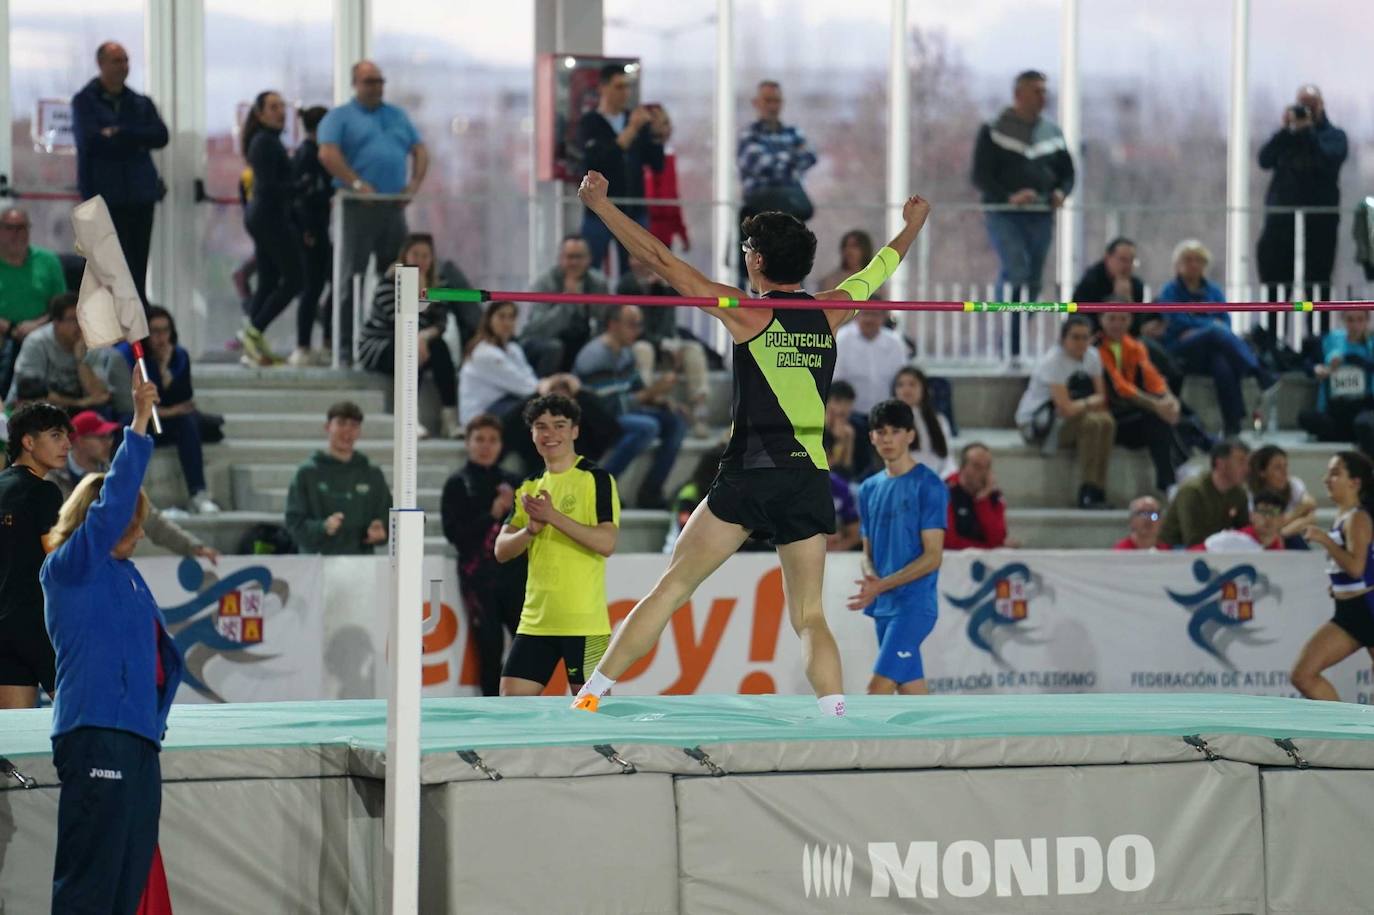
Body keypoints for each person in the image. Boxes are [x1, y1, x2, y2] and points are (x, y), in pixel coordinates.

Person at [570, 166, 932, 717]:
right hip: (806, 477)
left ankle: (591, 697)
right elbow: (880, 268)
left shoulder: (748, 313)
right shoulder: (832, 308)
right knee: (809, 616)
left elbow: (663, 262)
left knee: (671, 589)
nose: (743, 256)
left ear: (758, 261)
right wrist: (912, 226)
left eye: (746, 249)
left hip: (748, 475)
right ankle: (835, 713)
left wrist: (601, 207)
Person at [42, 372, 182, 912]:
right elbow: (112, 503)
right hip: (95, 732)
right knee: (91, 882)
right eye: (133, 522)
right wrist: (140, 422)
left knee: (126, 880)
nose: (140, 533)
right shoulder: (72, 566)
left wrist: (154, 723)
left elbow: (158, 663)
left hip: (138, 740)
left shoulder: (130, 577)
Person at [493, 395, 619, 695]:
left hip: (584, 624)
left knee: (592, 712)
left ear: (574, 431)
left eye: (559, 425)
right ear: (533, 434)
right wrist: (531, 531)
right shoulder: (529, 486)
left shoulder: (596, 478)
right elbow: (501, 550)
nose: (550, 434)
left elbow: (606, 542)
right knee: (513, 709)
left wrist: (552, 516)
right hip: (536, 622)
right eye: (541, 427)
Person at [317, 60, 427, 354]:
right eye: (369, 81)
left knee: (398, 275)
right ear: (355, 83)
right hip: (357, 207)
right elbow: (327, 153)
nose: (376, 87)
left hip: (392, 206)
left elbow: (419, 150)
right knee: (351, 276)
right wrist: (356, 184)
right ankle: (343, 345)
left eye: (380, 81)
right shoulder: (340, 117)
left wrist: (414, 184)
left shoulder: (397, 116)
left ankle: (395, 340)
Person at [973, 69, 1074, 356]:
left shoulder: (1052, 132)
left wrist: (1060, 192)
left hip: (1041, 215)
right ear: (1019, 94)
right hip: (1004, 213)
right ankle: (1010, 344)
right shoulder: (994, 130)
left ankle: (1012, 334)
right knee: (1016, 270)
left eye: (1045, 91)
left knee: (1033, 279)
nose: (1043, 97)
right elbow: (981, 176)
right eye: (1036, 91)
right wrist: (1009, 196)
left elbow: (1067, 173)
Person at [849, 399, 947, 695]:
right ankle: (933, 743)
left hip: (914, 606)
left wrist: (881, 585)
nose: (887, 438)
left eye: (895, 431)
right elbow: (867, 552)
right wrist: (871, 579)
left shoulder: (929, 485)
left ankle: (852, 744)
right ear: (871, 437)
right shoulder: (868, 488)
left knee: (876, 691)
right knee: (912, 697)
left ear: (911, 435)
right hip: (885, 606)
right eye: (881, 431)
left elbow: (933, 557)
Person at [49, 410, 219, 563]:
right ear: (78, 441)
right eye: (101, 437)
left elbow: (150, 518)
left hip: (102, 567)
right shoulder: (51, 478)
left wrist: (193, 547)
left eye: (109, 436)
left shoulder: (117, 477)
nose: (108, 442)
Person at [71, 41, 168, 305]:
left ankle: (136, 336)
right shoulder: (84, 102)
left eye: (126, 60)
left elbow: (160, 135)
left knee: (137, 267)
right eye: (117, 61)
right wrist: (136, 138)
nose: (124, 66)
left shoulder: (139, 102)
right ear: (101, 64)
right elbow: (91, 141)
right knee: (110, 269)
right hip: (104, 198)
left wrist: (120, 132)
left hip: (139, 195)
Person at [441, 414, 525, 698]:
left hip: (515, 576)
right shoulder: (458, 483)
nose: (486, 446)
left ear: (502, 445)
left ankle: (523, 710)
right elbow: (456, 535)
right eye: (479, 439)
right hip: (477, 580)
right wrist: (492, 513)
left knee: (525, 647)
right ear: (467, 443)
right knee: (489, 649)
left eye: (492, 440)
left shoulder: (515, 482)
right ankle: (493, 713)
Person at [1156, 239, 1276, 436]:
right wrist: (1210, 326)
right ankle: (1258, 371)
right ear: (1179, 264)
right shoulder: (1170, 291)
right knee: (1215, 333)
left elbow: (1226, 322)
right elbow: (1176, 321)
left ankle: (1232, 424)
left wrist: (1201, 328)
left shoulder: (1213, 291)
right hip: (1181, 348)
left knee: (1222, 364)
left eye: (1198, 260)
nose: (1193, 264)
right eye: (1188, 260)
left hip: (1210, 349)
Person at [572, 304, 686, 509]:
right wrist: (652, 392)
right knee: (647, 426)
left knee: (675, 422)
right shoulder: (594, 356)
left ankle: (651, 490)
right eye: (632, 325)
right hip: (600, 418)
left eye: (639, 325)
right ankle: (601, 484)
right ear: (613, 325)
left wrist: (661, 400)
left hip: (623, 410)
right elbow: (609, 406)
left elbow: (635, 389)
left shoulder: (625, 352)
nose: (638, 330)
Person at [113, 306, 220, 514]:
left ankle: (198, 493)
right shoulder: (127, 355)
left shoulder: (178, 355)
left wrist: (165, 371)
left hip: (164, 422)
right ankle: (121, 492)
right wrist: (168, 410)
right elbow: (132, 402)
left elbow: (184, 400)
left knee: (188, 423)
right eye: (155, 331)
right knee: (124, 425)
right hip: (139, 419)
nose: (161, 337)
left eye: (165, 331)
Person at [0, 402, 72, 709]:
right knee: (89, 725)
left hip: (3, 626)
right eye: (56, 435)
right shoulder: (44, 491)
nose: (67, 444)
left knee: (11, 745)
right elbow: (58, 559)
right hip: (38, 624)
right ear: (28, 442)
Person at [358, 233, 460, 439]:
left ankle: (450, 419)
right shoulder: (389, 284)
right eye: (416, 254)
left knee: (439, 347)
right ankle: (407, 419)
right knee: (410, 345)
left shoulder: (437, 287)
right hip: (380, 346)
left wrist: (422, 336)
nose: (421, 260)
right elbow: (402, 321)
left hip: (415, 342)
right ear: (405, 256)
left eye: (426, 256)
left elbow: (441, 324)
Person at [1291, 451, 1374, 701]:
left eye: (1335, 473)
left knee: (1304, 675)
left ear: (1355, 482)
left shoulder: (1358, 518)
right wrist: (1337, 588)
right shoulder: (1346, 516)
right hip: (1351, 610)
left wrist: (1323, 539)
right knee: (1303, 675)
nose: (1327, 479)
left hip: (1367, 609)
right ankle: (1345, 734)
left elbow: (1357, 567)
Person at [1257, 85, 1348, 303]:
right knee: (1276, 279)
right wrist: (1285, 130)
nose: (1305, 110)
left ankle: (1318, 334)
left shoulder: (1334, 136)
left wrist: (1309, 132)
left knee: (1317, 281)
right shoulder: (1287, 137)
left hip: (1319, 220)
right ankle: (1272, 331)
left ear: (1321, 107)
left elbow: (1328, 159)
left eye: (1310, 105)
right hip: (1282, 219)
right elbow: (1264, 159)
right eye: (1301, 105)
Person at [1014, 315, 1116, 509]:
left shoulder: (1093, 356)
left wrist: (1086, 404)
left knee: (1107, 422)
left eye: (1085, 337)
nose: (1080, 343)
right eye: (1075, 337)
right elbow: (1065, 408)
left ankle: (1098, 489)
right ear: (1063, 339)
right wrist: (1088, 402)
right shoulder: (1053, 361)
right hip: (1039, 424)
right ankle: (1086, 492)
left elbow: (1102, 399)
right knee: (1092, 424)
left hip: (1074, 417)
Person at [576, 63, 664, 272]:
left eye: (627, 87)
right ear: (602, 88)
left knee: (637, 269)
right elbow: (596, 162)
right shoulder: (590, 123)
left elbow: (656, 164)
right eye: (618, 86)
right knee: (591, 269)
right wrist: (631, 130)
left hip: (633, 209)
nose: (625, 92)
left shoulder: (636, 121)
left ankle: (632, 306)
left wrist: (657, 134)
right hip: (598, 210)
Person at [237, 91, 303, 367]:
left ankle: (253, 339)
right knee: (295, 278)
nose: (280, 112)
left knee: (267, 279)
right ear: (260, 114)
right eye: (273, 107)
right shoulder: (265, 142)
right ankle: (254, 330)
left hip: (264, 215)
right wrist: (301, 187)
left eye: (282, 106)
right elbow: (267, 186)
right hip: (269, 216)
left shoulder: (269, 141)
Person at [615, 256, 712, 437]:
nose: (643, 264)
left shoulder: (663, 283)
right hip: (643, 344)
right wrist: (661, 342)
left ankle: (700, 412)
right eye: (638, 259)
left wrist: (668, 283)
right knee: (643, 349)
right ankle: (648, 405)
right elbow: (634, 328)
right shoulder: (626, 284)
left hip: (668, 345)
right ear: (630, 261)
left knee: (694, 350)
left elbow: (688, 294)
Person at [284, 401, 392, 555]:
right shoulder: (307, 473)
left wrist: (381, 530)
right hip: (317, 564)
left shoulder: (372, 473)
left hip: (360, 564)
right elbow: (294, 523)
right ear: (327, 427)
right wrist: (322, 527)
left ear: (360, 431)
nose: (347, 431)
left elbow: (387, 516)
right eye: (341, 423)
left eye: (354, 425)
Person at [737, 80, 818, 286]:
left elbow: (810, 156)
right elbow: (757, 164)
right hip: (760, 206)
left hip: (790, 212)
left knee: (794, 262)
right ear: (756, 103)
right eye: (768, 100)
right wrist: (790, 158)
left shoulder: (793, 132)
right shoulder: (749, 134)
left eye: (776, 101)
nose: (772, 106)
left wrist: (775, 159)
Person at [1096, 310, 1185, 494]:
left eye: (1123, 318)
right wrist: (1156, 405)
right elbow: (1120, 387)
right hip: (1107, 417)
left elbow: (1153, 378)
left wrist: (1169, 399)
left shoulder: (1135, 345)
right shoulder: (1095, 348)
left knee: (1163, 417)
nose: (1117, 323)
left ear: (1130, 321)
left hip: (1130, 413)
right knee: (1156, 415)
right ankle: (1173, 477)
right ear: (1101, 320)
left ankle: (1170, 481)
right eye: (1112, 318)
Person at [460, 300, 572, 427]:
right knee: (542, 403)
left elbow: (528, 376)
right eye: (501, 316)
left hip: (507, 403)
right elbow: (525, 387)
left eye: (511, 317)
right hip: (482, 415)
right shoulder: (483, 353)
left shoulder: (513, 348)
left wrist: (551, 385)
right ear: (489, 320)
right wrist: (551, 385)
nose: (507, 322)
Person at [0, 207, 66, 398]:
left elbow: (60, 307)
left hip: (41, 329)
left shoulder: (49, 261)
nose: (16, 234)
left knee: (40, 341)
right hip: (3, 331)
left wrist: (36, 325)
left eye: (22, 228)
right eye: (10, 228)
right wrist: (9, 327)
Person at [7, 293, 113, 411]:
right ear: (56, 323)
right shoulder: (36, 342)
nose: (79, 325)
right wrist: (79, 403)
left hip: (73, 412)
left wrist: (81, 360)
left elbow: (100, 395)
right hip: (34, 411)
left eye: (82, 318)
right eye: (73, 319)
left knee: (104, 412)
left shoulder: (89, 343)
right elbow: (30, 392)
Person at [520, 235, 608, 375]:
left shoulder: (598, 283)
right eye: (569, 257)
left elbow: (604, 321)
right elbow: (538, 329)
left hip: (583, 341)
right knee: (555, 347)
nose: (574, 262)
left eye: (578, 257)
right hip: (549, 342)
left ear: (589, 259)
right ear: (560, 258)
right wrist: (567, 303)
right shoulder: (545, 282)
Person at [290, 105, 334, 367]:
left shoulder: (316, 154)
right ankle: (304, 345)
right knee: (312, 288)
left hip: (318, 228)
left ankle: (323, 341)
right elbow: (300, 197)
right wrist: (306, 229)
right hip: (312, 231)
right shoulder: (308, 155)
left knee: (321, 286)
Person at [1299, 309, 1374, 455]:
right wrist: (1317, 369)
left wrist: (1347, 359)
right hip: (1335, 409)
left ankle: (1349, 436)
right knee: (1305, 417)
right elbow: (1307, 363)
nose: (1355, 325)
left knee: (1363, 424)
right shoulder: (1330, 340)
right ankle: (1349, 436)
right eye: (1350, 320)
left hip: (1363, 407)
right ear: (1343, 321)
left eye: (1360, 320)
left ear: (1367, 321)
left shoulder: (1371, 345)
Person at [1159, 439, 1251, 548]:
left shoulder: (1239, 494)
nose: (1247, 469)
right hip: (1175, 552)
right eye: (1241, 462)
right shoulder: (1193, 492)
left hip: (1214, 549)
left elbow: (1244, 532)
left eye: (1247, 463)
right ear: (1220, 463)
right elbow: (1193, 539)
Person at [834, 308, 911, 416]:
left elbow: (902, 380)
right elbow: (835, 382)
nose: (869, 319)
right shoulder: (841, 339)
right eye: (865, 314)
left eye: (874, 314)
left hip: (887, 415)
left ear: (883, 317)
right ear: (856, 315)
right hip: (849, 416)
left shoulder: (895, 343)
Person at [1248, 444, 1317, 549]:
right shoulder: (1252, 495)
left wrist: (1283, 530)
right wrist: (1298, 516)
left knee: (1293, 538)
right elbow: (1262, 527)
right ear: (1262, 472)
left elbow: (1310, 506)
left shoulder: (1293, 484)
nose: (1285, 472)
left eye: (1285, 466)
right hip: (1260, 543)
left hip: (1287, 536)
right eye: (1277, 468)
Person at [944, 442, 1009, 551]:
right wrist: (988, 548)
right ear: (962, 467)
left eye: (987, 466)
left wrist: (982, 500)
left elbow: (997, 539)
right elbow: (948, 542)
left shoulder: (994, 496)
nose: (983, 472)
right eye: (976, 466)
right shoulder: (944, 492)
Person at [892, 366, 954, 478]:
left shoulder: (940, 420)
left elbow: (947, 459)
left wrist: (945, 478)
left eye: (912, 384)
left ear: (924, 389)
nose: (906, 390)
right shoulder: (889, 422)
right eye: (900, 385)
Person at [642, 105, 689, 252]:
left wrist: (681, 232)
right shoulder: (637, 157)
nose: (665, 129)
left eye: (665, 123)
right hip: (642, 226)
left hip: (663, 231)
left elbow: (672, 197)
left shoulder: (669, 158)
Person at [1072, 237, 1144, 305]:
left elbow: (1139, 317)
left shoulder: (1137, 285)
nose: (1128, 265)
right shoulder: (1091, 281)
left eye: (1131, 260)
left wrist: (1128, 300)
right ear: (1107, 257)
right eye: (1123, 259)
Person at [824, 380, 859, 479]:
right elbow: (824, 468)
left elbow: (846, 471)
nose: (842, 408)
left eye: (847, 403)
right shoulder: (815, 427)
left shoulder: (855, 429)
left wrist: (846, 441)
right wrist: (838, 440)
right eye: (837, 401)